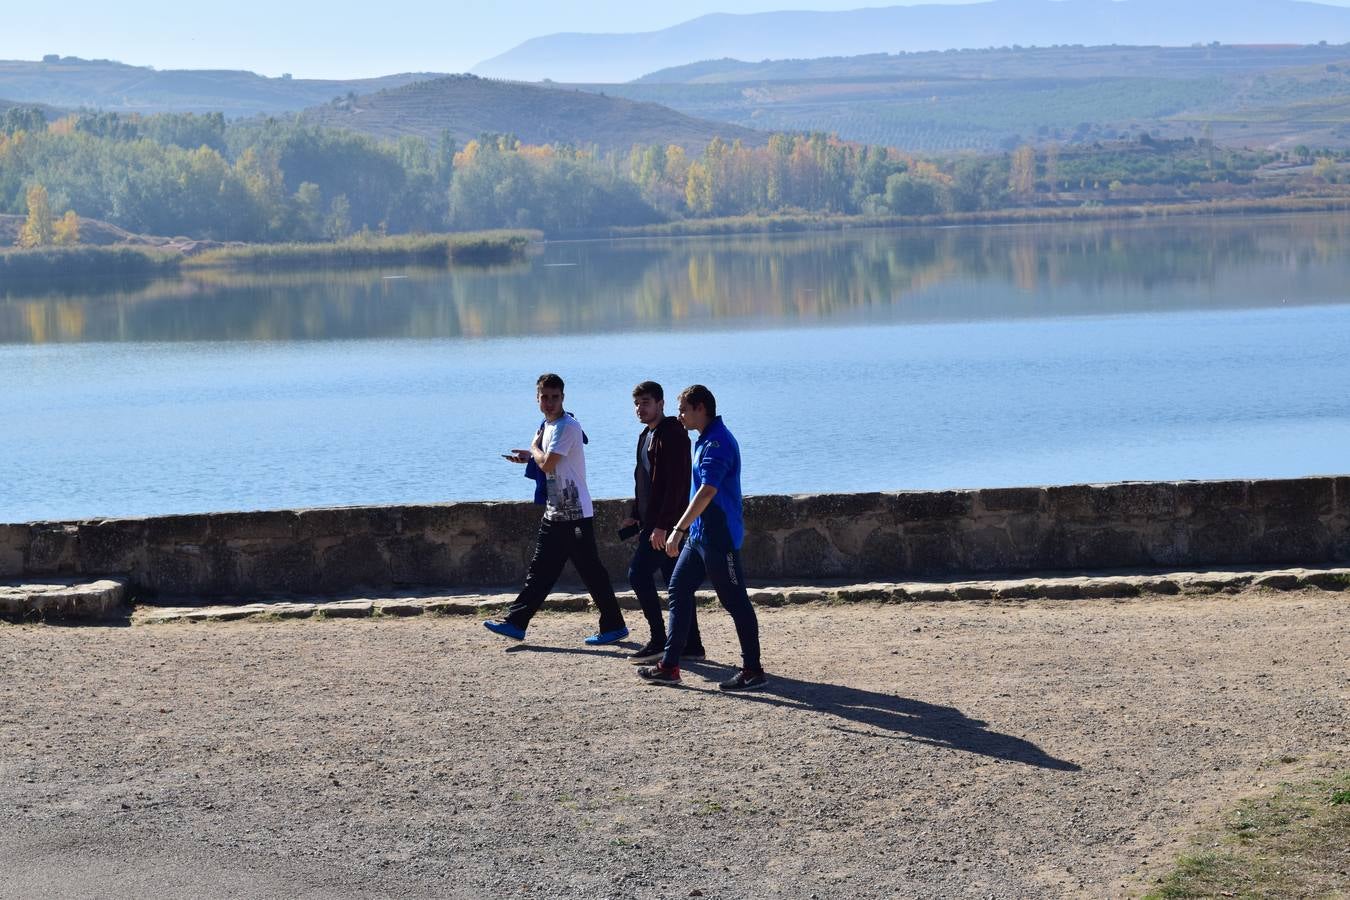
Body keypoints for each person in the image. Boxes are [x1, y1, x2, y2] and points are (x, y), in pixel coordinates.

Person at [637, 385, 766, 691]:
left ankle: (753, 670)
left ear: (700, 408)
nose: (679, 415)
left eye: (683, 409)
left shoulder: (717, 443)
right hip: (699, 537)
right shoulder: (703, 440)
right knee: (678, 589)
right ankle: (669, 666)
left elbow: (707, 491)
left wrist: (678, 529)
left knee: (736, 602)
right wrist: (688, 531)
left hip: (720, 538)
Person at [484, 373, 629, 645]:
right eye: (545, 397)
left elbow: (548, 463)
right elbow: (549, 460)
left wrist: (533, 448)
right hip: (555, 512)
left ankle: (614, 626)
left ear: (563, 397)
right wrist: (529, 458)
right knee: (541, 571)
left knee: (591, 573)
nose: (550, 402)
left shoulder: (567, 426)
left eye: (555, 397)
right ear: (537, 398)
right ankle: (516, 623)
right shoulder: (547, 425)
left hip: (574, 514)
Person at [621, 381, 704, 663]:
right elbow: (642, 480)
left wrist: (664, 526)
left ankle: (659, 639)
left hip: (665, 526)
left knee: (638, 574)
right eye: (636, 403)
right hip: (652, 523)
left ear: (660, 404)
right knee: (676, 584)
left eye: (645, 402)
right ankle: (692, 645)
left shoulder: (674, 434)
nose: (640, 409)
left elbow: (677, 485)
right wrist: (635, 512)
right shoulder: (646, 435)